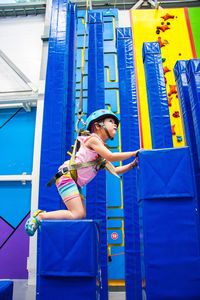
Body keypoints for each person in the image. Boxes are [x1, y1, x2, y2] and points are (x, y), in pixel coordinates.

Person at [25, 109, 141, 236]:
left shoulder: (100, 153)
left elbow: (115, 170)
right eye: (111, 121)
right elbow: (111, 156)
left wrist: (131, 165)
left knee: (81, 214)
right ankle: (40, 216)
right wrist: (134, 153)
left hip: (72, 181)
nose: (115, 125)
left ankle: (42, 216)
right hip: (66, 177)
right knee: (77, 214)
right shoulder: (93, 140)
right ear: (97, 126)